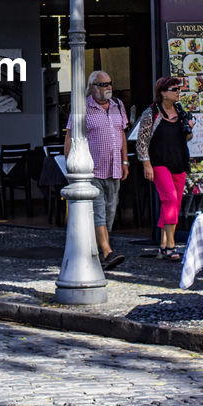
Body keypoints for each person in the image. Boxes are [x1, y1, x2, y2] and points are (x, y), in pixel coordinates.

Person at [64, 70, 129, 270]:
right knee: (99, 211)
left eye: (109, 83)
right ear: (92, 87)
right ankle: (107, 251)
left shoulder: (118, 105)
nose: (108, 87)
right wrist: (71, 163)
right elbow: (69, 136)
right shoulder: (82, 107)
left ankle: (97, 247)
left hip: (114, 167)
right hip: (91, 169)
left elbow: (122, 134)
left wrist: (125, 161)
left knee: (110, 210)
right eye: (103, 84)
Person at [135, 76, 193, 261]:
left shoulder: (180, 111)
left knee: (174, 203)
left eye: (179, 89)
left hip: (179, 161)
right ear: (162, 93)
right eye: (174, 89)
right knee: (170, 198)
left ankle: (162, 246)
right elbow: (142, 141)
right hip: (159, 162)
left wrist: (189, 129)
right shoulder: (152, 113)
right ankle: (171, 244)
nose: (178, 92)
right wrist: (146, 164)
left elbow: (185, 138)